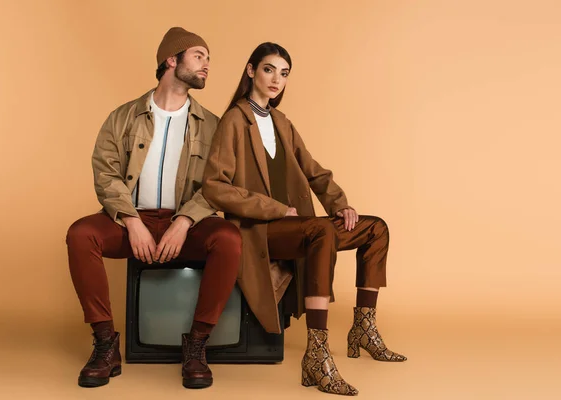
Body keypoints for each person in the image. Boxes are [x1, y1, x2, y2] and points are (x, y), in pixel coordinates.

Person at [202, 42, 406, 396]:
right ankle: (317, 352)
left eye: (284, 73)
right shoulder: (234, 120)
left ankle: (363, 328)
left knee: (376, 229)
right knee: (322, 230)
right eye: (269, 69)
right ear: (251, 71)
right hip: (259, 229)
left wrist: (340, 203)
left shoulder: (282, 122)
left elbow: (315, 173)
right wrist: (276, 208)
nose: (276, 79)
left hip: (301, 228)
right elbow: (214, 187)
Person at [66, 27, 241, 389]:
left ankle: (197, 345)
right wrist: (130, 220)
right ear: (171, 60)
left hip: (186, 225)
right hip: (134, 221)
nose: (207, 64)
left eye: (209, 58)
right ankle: (105, 344)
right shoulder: (123, 117)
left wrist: (185, 220)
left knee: (228, 238)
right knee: (81, 234)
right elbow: (105, 172)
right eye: (198, 55)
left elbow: (218, 183)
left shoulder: (212, 126)